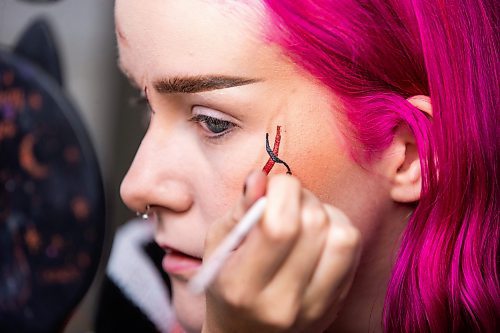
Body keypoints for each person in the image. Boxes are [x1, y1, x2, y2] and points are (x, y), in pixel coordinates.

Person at [115, 0, 499, 332]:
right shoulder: (139, 281)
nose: (136, 186)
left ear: (411, 155)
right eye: (143, 104)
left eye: (214, 122)